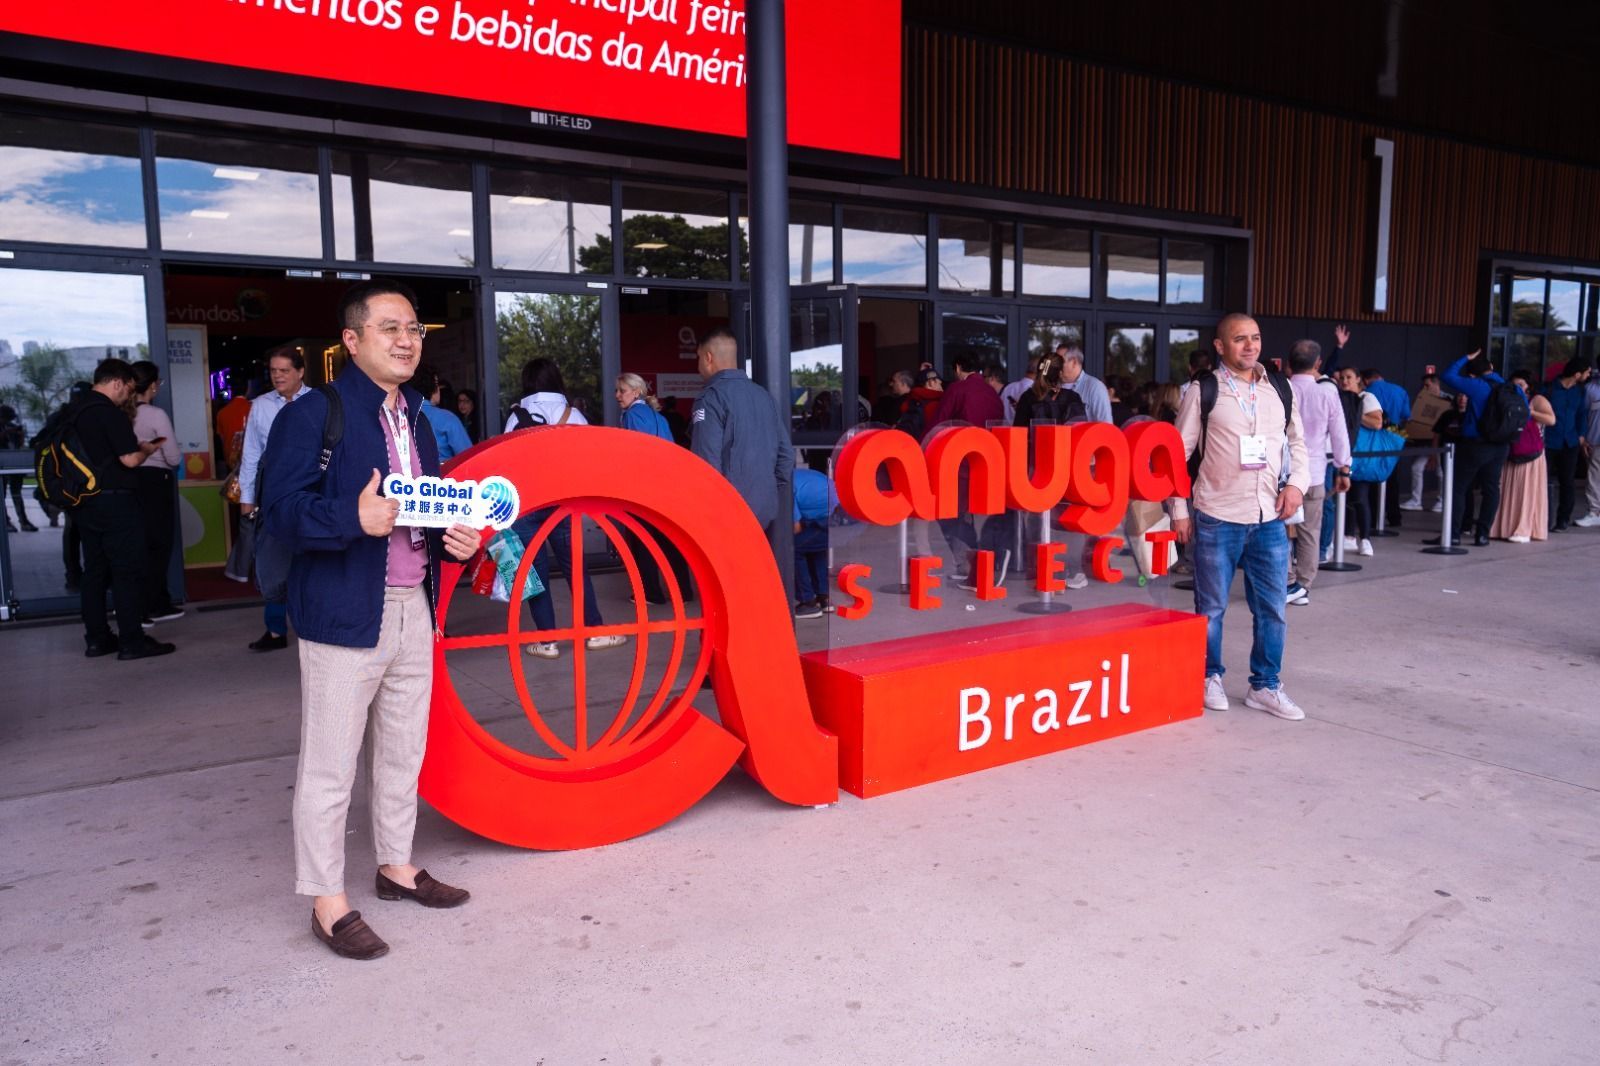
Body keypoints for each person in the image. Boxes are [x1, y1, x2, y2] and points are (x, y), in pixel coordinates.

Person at [259, 279, 478, 961]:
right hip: (344, 612)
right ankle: (327, 902)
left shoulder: (414, 415)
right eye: (389, 328)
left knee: (402, 752)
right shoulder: (314, 413)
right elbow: (280, 512)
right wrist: (349, 518)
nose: (406, 340)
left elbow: (422, 510)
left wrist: (457, 538)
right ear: (351, 341)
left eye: (413, 328)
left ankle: (395, 865)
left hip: (414, 606)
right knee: (330, 765)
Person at [1171, 313, 1310, 721]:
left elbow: (1298, 443)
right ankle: (1208, 675)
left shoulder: (1279, 389)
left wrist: (1296, 485)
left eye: (1255, 338)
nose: (1250, 346)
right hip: (1217, 515)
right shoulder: (1205, 389)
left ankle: (1265, 685)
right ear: (1220, 346)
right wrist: (1179, 510)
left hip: (1269, 517)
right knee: (1210, 607)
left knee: (1272, 608)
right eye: (1239, 339)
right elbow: (1177, 453)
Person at [504, 358, 627, 660]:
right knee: (576, 570)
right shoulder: (574, 416)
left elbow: (506, 462)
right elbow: (588, 463)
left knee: (535, 575)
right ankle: (594, 633)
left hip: (526, 506)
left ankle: (547, 641)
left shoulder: (515, 417)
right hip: (563, 506)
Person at [71, 359, 174, 660]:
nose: (127, 396)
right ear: (117, 382)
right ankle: (132, 640)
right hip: (116, 500)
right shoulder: (107, 413)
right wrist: (146, 449)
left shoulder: (74, 411)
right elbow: (129, 460)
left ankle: (97, 639)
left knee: (94, 571)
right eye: (127, 389)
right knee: (127, 570)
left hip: (86, 501)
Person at [691, 326, 794, 575]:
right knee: (754, 576)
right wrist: (765, 489)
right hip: (764, 508)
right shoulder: (763, 396)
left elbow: (705, 466)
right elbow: (786, 456)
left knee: (727, 582)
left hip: (727, 511)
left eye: (698, 359)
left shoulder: (711, 398)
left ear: (708, 357)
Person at [239, 344, 311, 652]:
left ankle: (313, 627)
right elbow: (251, 454)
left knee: (312, 562)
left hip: (311, 491)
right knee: (272, 562)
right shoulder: (261, 406)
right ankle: (275, 631)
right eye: (273, 371)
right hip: (273, 494)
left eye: (284, 371)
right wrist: (247, 496)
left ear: (300, 372)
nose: (278, 376)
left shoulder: (320, 402)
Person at [615, 372, 693, 605]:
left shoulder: (631, 415)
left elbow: (636, 455)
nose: (617, 395)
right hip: (668, 486)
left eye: (622, 390)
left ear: (636, 391)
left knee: (642, 542)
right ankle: (684, 591)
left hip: (643, 487)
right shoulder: (657, 416)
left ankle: (652, 593)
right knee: (670, 539)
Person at [1285, 341, 1351, 607]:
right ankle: (1302, 585)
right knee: (1310, 531)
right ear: (1318, 363)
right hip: (1312, 473)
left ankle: (1285, 580)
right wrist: (1343, 468)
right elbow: (1339, 433)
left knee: (1278, 532)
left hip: (1281, 473)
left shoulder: (1280, 389)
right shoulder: (1327, 393)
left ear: (1289, 364)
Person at [932, 349, 1005, 570]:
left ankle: (968, 563)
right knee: (973, 513)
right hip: (987, 460)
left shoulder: (958, 389)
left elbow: (939, 423)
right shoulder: (992, 392)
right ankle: (983, 561)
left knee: (951, 512)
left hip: (959, 459)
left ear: (957, 368)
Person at [1434, 350, 1509, 547]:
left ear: (1472, 375)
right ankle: (1482, 535)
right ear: (1491, 367)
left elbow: (1447, 375)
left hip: (1475, 443)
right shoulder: (1509, 387)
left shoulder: (1476, 386)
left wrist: (1465, 358)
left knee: (1458, 488)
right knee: (1491, 489)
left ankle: (1454, 534)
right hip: (1501, 445)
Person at [128, 361, 184, 624]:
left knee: (137, 544)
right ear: (152, 385)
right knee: (160, 544)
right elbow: (172, 457)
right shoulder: (155, 415)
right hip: (155, 480)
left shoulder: (121, 412)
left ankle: (138, 604)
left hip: (129, 480)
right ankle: (154, 605)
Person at [1489, 371, 1554, 543]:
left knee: (1526, 491)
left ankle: (1523, 528)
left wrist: (1530, 412)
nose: (1518, 388)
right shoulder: (1505, 399)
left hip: (1530, 454)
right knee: (1506, 490)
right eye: (1514, 384)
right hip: (1511, 451)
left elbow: (1551, 420)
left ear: (1529, 386)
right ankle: (1502, 527)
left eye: (1521, 384)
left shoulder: (1537, 400)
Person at [1335, 366, 1383, 557]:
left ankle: (1365, 538)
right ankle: (1347, 536)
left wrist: (1354, 414)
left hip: (1360, 456)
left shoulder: (1366, 398)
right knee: (1344, 498)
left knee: (1360, 498)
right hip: (1341, 455)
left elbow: (1377, 422)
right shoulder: (1338, 398)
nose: (1345, 381)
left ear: (1358, 380)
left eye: (1349, 377)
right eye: (1342, 378)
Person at [1542, 357, 1591, 531]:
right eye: (1587, 372)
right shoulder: (1548, 389)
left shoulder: (1580, 391)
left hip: (1570, 442)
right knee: (1543, 481)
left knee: (1567, 481)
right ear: (1577, 374)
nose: (1589, 375)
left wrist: (1581, 434)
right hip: (1548, 442)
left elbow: (1581, 414)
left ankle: (1563, 519)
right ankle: (1543, 519)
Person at [1360, 367, 1412, 528]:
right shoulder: (1400, 390)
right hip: (1394, 433)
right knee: (1392, 477)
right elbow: (1406, 416)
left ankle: (1374, 518)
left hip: (1372, 435)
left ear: (1365, 380)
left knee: (1372, 476)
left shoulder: (1367, 392)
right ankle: (1395, 517)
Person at [792, 454, 838, 618]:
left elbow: (795, 527)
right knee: (815, 549)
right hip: (839, 514)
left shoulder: (783, 486)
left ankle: (807, 602)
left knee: (793, 548)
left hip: (829, 517)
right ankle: (823, 598)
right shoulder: (798, 475)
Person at [1400, 373, 1445, 513]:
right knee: (1416, 467)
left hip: (1443, 444)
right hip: (1427, 442)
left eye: (1428, 385)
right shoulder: (1422, 400)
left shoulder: (1448, 400)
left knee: (1441, 472)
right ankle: (1416, 500)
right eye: (1424, 386)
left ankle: (1442, 501)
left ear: (1436, 384)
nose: (1425, 388)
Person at [412, 363, 473, 462]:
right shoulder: (447, 419)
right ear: (434, 387)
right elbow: (469, 457)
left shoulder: (401, 416)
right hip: (444, 474)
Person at [0, 404, 36, 533]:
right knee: (1, 495)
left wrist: (19, 435)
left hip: (13, 465)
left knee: (16, 493)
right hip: (2, 466)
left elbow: (19, 445)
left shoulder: (11, 427)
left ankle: (23, 521)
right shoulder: (5, 429)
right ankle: (5, 521)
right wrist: (6, 433)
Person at [1057, 345, 1113, 424]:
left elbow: (1106, 427)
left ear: (1074, 362)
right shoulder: (1052, 387)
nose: (1055, 366)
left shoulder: (1095, 388)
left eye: (1059, 362)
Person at [1581, 371, 1600, 527]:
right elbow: (1583, 414)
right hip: (1595, 440)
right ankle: (1595, 512)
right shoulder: (1590, 389)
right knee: (1594, 476)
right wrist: (1584, 437)